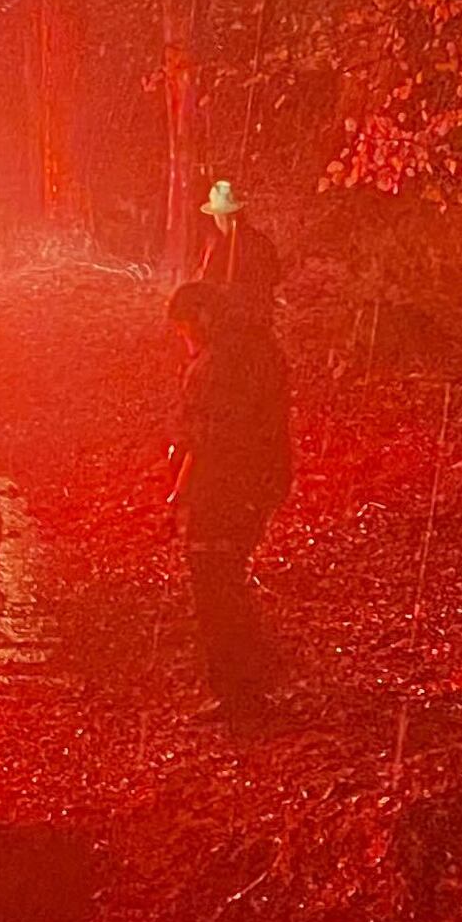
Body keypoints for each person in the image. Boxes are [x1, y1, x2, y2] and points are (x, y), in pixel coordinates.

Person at [165, 271, 291, 714]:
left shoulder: (220, 364)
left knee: (214, 581)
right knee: (227, 577)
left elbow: (207, 437)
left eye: (184, 330)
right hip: (255, 482)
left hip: (222, 487)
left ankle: (238, 688)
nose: (184, 341)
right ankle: (247, 681)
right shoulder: (257, 350)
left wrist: (181, 489)